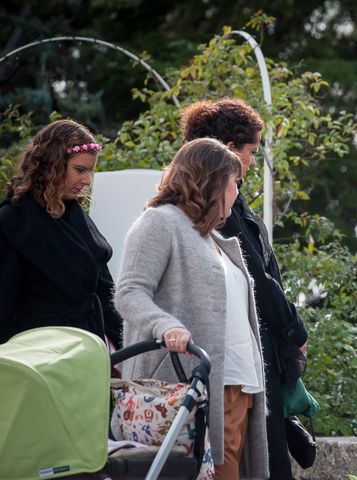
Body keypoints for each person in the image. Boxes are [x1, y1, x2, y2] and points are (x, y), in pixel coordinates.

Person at [114, 138, 269, 480]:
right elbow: (129, 292)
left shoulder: (212, 238)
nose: (236, 194)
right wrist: (164, 325)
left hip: (238, 387)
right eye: (234, 184)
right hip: (190, 388)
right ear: (212, 181)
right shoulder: (160, 222)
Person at [181, 99, 308, 480]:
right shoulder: (219, 205)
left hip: (249, 348)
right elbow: (256, 275)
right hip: (245, 348)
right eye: (251, 152)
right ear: (228, 149)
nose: (253, 162)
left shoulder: (226, 200)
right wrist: (293, 329)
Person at [0, 119, 122, 348]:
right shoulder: (11, 223)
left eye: (90, 172)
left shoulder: (77, 217)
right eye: (80, 170)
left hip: (87, 348)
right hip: (36, 354)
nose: (87, 180)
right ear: (52, 165)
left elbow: (105, 293)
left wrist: (124, 345)